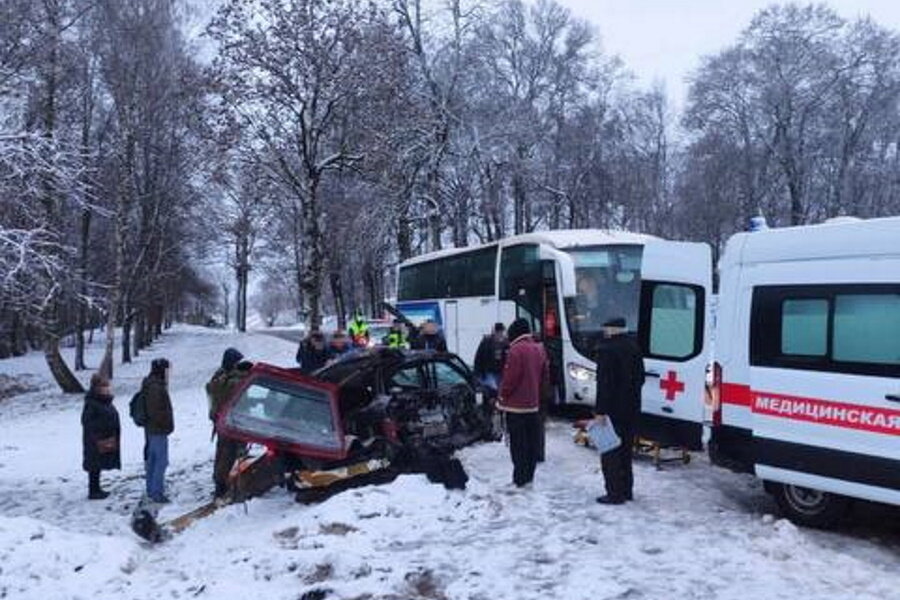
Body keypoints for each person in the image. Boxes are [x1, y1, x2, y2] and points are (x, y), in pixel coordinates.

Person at [593, 317, 645, 505]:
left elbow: (604, 385)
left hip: (612, 411)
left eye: (606, 328)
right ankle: (626, 489)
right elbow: (641, 379)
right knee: (625, 451)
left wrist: (600, 411)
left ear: (612, 329)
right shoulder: (634, 347)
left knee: (610, 451)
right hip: (631, 408)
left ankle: (614, 493)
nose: (604, 332)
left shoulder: (606, 350)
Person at [497, 318, 549, 488]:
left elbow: (510, 379)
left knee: (518, 445)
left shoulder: (515, 351)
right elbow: (544, 377)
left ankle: (519, 479)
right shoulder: (539, 349)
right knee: (531, 442)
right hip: (533, 405)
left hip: (515, 406)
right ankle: (529, 476)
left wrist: (502, 396)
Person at [206, 348, 251, 499]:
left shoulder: (220, 376)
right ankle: (223, 486)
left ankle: (221, 483)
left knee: (223, 454)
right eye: (237, 362)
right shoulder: (228, 379)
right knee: (228, 455)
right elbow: (235, 391)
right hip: (231, 424)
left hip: (223, 422)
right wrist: (245, 374)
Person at [81, 373, 121, 500]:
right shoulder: (93, 403)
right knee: (94, 464)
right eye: (104, 386)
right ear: (97, 387)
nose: (107, 388)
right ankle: (93, 490)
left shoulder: (104, 401)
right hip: (95, 439)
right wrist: (101, 430)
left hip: (103, 437)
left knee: (98, 464)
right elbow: (87, 421)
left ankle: (96, 488)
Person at [142, 358, 173, 503]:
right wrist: (165, 423)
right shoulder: (156, 387)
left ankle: (151, 489)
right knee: (160, 461)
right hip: (158, 430)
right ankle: (156, 492)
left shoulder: (151, 384)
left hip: (152, 429)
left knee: (153, 461)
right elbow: (156, 411)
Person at [473, 322, 509, 395]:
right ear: (495, 332)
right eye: (498, 332)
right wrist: (478, 373)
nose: (500, 334)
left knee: (499, 391)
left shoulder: (506, 343)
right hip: (489, 372)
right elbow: (478, 357)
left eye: (501, 332)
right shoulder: (486, 342)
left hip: (500, 372)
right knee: (493, 389)